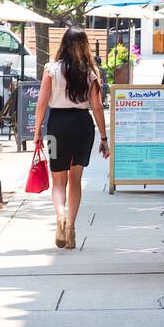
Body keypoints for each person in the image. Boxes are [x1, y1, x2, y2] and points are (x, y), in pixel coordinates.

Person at [33, 26, 109, 250]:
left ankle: (60, 215)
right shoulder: (90, 73)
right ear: (84, 46)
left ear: (63, 44)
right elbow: (97, 107)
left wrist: (37, 131)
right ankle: (72, 229)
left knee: (59, 181)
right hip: (83, 126)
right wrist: (103, 137)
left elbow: (41, 103)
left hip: (57, 125)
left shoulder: (51, 70)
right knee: (75, 179)